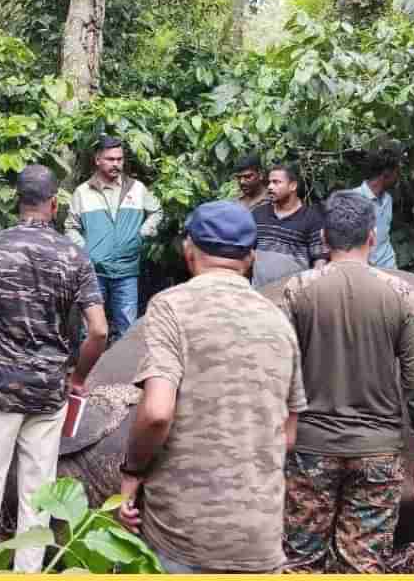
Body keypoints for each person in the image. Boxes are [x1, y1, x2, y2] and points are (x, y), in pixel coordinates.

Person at [116, 201, 306, 573]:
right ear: (250, 258)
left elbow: (156, 413)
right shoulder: (278, 320)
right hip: (260, 539)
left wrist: (132, 472)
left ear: (189, 251)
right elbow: (287, 435)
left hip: (183, 536)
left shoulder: (171, 308)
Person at [277, 191, 414, 573]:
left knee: (300, 563)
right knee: (364, 565)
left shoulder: (298, 290)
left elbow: (278, 370)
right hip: (378, 452)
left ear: (323, 238)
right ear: (373, 237)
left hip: (309, 449)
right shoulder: (400, 294)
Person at [0, 165, 109, 572]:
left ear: (17, 201)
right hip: (48, 393)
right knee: (38, 494)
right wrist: (76, 378)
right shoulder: (74, 256)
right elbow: (99, 330)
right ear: (55, 205)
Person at [65, 135, 163, 344]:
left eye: (119, 159)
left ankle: (122, 375)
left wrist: (143, 233)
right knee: (91, 329)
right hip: (93, 271)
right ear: (97, 160)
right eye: (110, 159)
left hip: (127, 269)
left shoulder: (137, 188)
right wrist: (87, 251)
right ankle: (89, 374)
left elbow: (156, 211)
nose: (116, 164)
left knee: (127, 329)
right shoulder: (83, 192)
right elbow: (71, 227)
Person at [252, 163, 328, 270]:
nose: (270, 187)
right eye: (269, 182)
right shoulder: (258, 214)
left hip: (295, 286)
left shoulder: (311, 218)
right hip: (258, 287)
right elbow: (248, 252)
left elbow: (320, 259)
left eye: (276, 182)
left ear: (293, 186)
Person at [350, 149, 401, 269]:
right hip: (365, 269)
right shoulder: (353, 199)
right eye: (396, 173)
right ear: (387, 174)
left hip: (389, 265)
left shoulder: (388, 199)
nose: (398, 177)